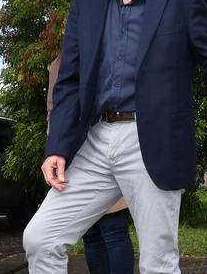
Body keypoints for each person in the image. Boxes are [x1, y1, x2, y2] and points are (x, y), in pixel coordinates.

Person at [22, 0, 207, 271]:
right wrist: (57, 147)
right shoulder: (86, 2)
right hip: (94, 140)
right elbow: (69, 84)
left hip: (152, 141)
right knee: (40, 238)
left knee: (158, 263)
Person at [47, 55, 135, 274]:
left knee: (111, 230)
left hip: (112, 145)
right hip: (77, 154)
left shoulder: (112, 49)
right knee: (94, 233)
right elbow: (54, 111)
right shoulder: (63, 62)